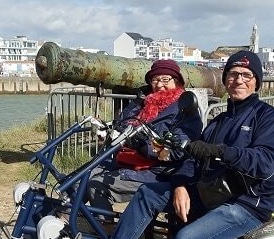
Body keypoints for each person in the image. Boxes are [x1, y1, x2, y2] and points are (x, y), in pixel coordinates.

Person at [95, 50, 274, 239]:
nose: (239, 80)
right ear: (225, 80)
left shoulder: (269, 119)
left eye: (247, 76)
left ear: (257, 82)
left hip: (248, 202)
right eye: (233, 75)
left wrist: (221, 152)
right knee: (150, 193)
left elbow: (265, 162)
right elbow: (190, 158)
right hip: (211, 191)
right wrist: (180, 186)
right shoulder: (218, 122)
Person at [86, 59, 202, 219]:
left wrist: (144, 146)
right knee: (82, 176)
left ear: (177, 81)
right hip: (127, 160)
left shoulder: (185, 108)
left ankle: (107, 229)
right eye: (155, 80)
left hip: (157, 170)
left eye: (165, 79)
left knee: (96, 184)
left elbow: (178, 150)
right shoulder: (142, 101)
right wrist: (107, 129)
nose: (160, 84)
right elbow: (121, 123)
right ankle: (60, 221)